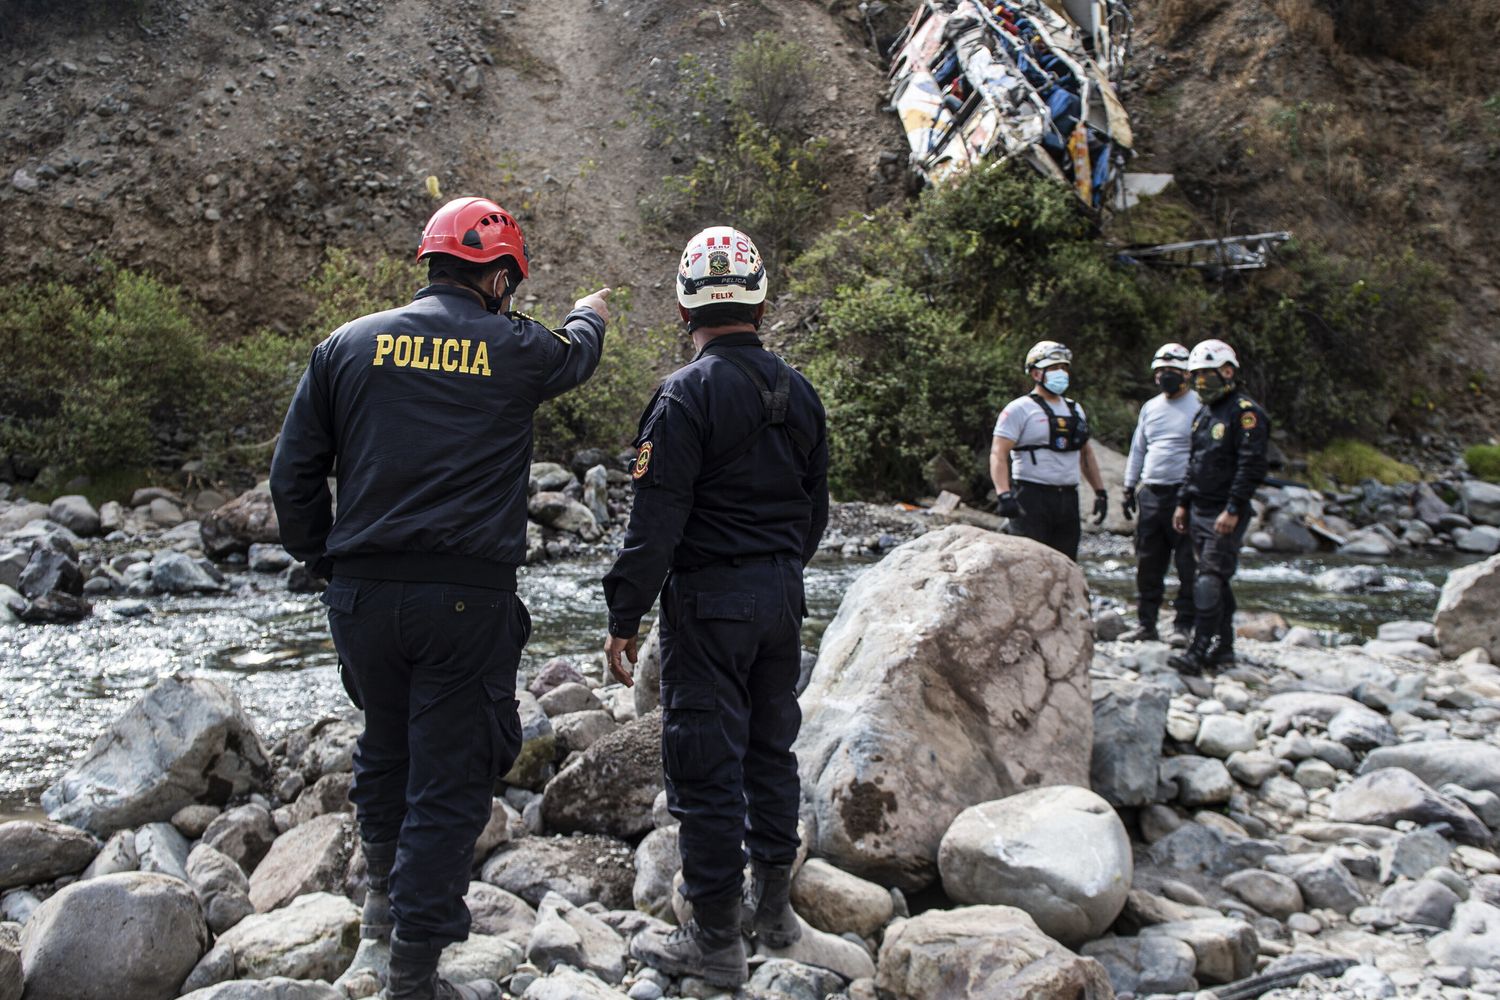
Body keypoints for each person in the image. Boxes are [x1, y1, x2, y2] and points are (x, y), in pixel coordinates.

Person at [269, 196, 611, 1000]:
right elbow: (576, 354)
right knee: (448, 781)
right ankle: (414, 976)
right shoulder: (516, 343)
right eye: (511, 283)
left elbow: (293, 477)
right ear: (495, 274)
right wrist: (588, 314)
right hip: (464, 600)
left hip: (363, 596)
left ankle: (381, 923)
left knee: (384, 753)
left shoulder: (345, 345)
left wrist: (325, 560)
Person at [600, 226, 829, 989]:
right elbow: (815, 512)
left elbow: (653, 525)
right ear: (762, 302)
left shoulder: (683, 395)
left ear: (683, 306)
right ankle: (775, 911)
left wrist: (623, 616)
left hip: (709, 600)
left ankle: (717, 946)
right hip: (781, 597)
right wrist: (779, 576)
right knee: (772, 749)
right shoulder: (801, 393)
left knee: (705, 765)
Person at [1167, 338, 1270, 676]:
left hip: (1225, 513)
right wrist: (1183, 502)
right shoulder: (1204, 413)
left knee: (1208, 578)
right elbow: (1194, 463)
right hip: (1198, 508)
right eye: (1194, 375)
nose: (1199, 381)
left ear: (1227, 372)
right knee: (1218, 580)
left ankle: (1199, 649)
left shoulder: (1246, 413)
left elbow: (1250, 466)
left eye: (1205, 374)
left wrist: (1234, 508)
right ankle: (1224, 648)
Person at [989, 340, 1107, 560]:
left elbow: (1086, 454)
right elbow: (998, 453)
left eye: (1064, 368)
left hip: (1068, 498)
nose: (1061, 373)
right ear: (1036, 374)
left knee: (1066, 562)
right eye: (1054, 368)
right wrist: (1004, 494)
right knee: (1028, 561)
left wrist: (1100, 492)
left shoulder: (1075, 409)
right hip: (1031, 496)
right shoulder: (1019, 409)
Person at [1120, 342, 1198, 645]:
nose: (1165, 376)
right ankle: (1146, 624)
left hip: (1184, 495)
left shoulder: (1199, 406)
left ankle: (1183, 626)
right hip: (1151, 493)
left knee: (1187, 565)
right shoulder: (1150, 408)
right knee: (1148, 563)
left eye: (1172, 371)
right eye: (1161, 371)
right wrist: (1129, 487)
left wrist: (1191, 497)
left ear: (1186, 375)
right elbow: (1138, 449)